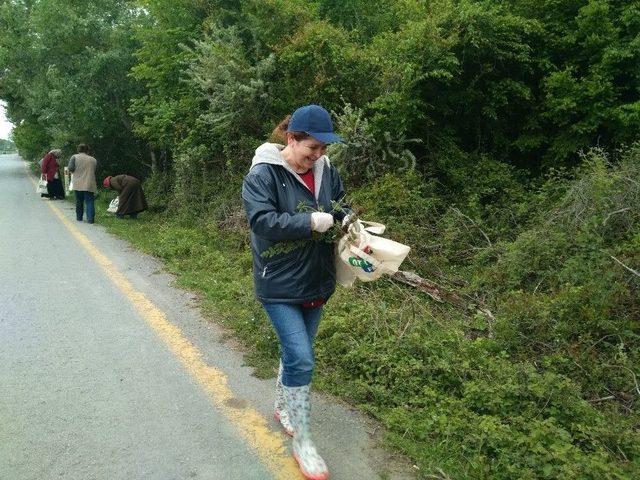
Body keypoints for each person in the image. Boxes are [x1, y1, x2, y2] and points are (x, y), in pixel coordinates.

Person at [242, 105, 350, 480]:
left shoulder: (326, 170)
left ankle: (283, 407)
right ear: (291, 139)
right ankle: (303, 443)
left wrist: (350, 222)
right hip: (279, 282)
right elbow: (261, 221)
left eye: (323, 149)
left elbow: (339, 205)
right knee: (301, 358)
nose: (318, 155)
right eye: (312, 148)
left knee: (296, 352)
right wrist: (310, 221)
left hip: (318, 279)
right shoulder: (263, 173)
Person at [68, 144, 97, 223]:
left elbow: (70, 168)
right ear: (87, 150)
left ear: (78, 150)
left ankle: (79, 217)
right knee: (89, 201)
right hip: (89, 183)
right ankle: (90, 219)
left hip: (78, 183)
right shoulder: (93, 159)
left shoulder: (74, 157)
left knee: (79, 201)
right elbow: (94, 170)